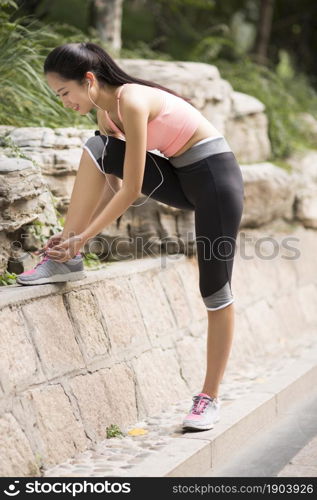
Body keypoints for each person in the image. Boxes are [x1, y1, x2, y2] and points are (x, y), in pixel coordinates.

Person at [17, 42, 244, 431]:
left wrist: (86, 235)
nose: (64, 102)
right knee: (96, 147)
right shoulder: (108, 116)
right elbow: (111, 184)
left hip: (215, 181)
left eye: (64, 93)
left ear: (89, 80)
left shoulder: (133, 101)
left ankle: (210, 397)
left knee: (214, 290)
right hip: (179, 177)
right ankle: (64, 259)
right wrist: (73, 237)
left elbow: (131, 190)